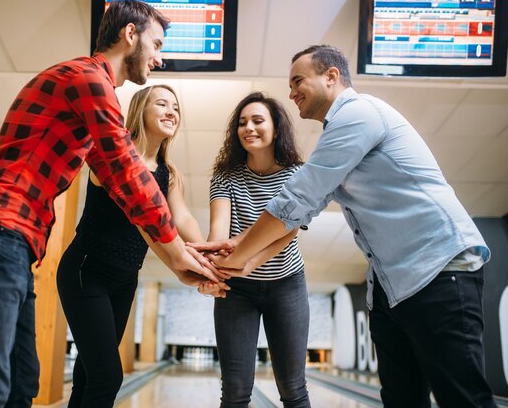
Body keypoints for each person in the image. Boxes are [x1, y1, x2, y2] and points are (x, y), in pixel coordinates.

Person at [0, 0, 219, 408]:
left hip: (13, 240)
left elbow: (131, 189)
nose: (159, 58)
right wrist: (178, 256)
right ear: (130, 35)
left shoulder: (85, 90)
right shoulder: (88, 80)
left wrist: (195, 253)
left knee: (21, 386)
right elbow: (126, 173)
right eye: (157, 44)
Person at [191, 45, 495, 408]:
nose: (291, 93)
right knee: (402, 399)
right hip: (392, 288)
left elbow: (297, 201)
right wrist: (242, 261)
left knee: (463, 399)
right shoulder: (332, 138)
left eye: (298, 81)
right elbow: (302, 212)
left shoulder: (359, 115)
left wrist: (234, 258)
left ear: (331, 76)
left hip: (438, 270)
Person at [57, 84, 226, 407]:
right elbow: (142, 216)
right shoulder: (115, 157)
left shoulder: (170, 173)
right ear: (140, 110)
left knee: (89, 376)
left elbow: (183, 219)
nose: (171, 111)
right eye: (161, 104)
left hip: (124, 279)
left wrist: (209, 253)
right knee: (108, 376)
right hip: (87, 270)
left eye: (175, 107)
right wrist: (185, 260)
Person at [198, 92, 312, 408]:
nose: (249, 127)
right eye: (242, 122)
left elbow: (287, 233)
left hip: (287, 284)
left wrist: (248, 261)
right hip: (237, 291)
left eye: (258, 120)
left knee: (293, 388)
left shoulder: (296, 174)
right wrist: (212, 268)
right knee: (235, 391)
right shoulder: (226, 176)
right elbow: (219, 232)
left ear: (276, 128)